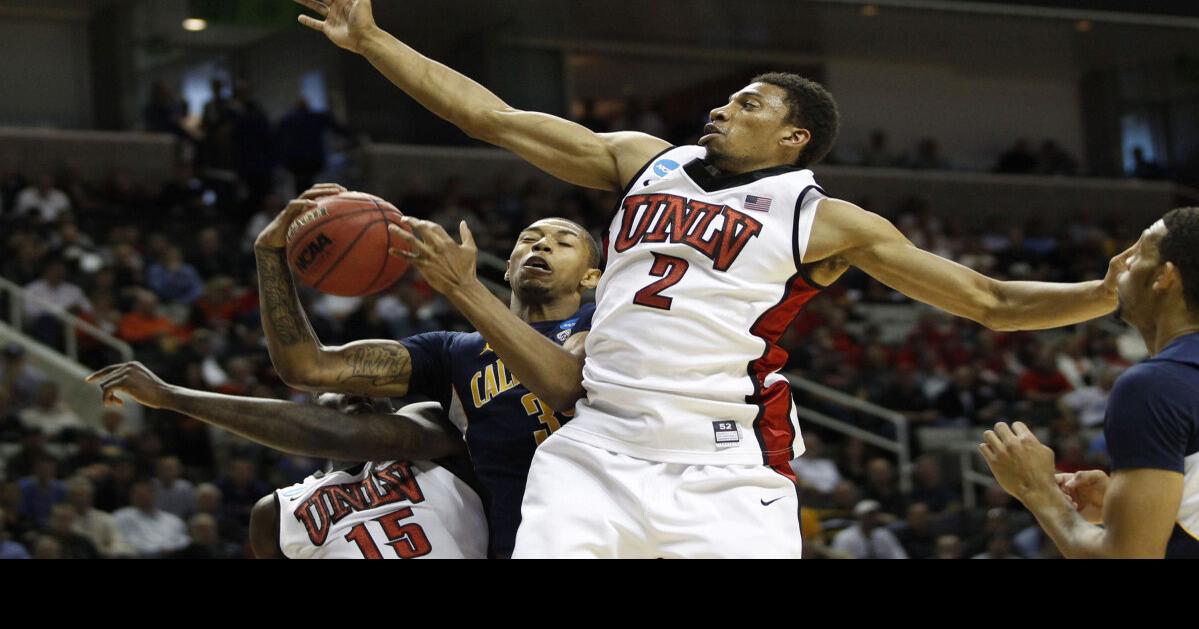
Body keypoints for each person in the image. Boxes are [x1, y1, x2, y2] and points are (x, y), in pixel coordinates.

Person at [294, 0, 1129, 558]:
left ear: (793, 136)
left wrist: (1103, 293)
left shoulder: (824, 220)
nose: (724, 107)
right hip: (595, 442)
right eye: (727, 98)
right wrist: (372, 40)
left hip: (724, 462)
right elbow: (489, 118)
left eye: (749, 103)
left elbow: (987, 301)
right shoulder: (642, 161)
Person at [254, 184, 600, 557]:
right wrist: (269, 255)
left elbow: (564, 383)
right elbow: (308, 366)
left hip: (613, 527)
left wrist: (462, 287)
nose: (542, 245)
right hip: (520, 544)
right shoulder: (454, 352)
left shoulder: (604, 322)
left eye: (563, 243)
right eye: (529, 239)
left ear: (591, 278)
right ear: (507, 267)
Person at [85, 361, 486, 559]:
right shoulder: (276, 512)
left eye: (366, 386)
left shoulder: (429, 430)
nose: (357, 392)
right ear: (311, 408)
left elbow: (342, 433)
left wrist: (172, 396)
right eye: (338, 388)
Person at [981, 208, 1199, 559]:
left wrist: (1038, 491)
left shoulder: (1154, 387)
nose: (1120, 264)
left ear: (1165, 277)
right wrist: (1133, 506)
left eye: (1138, 253)